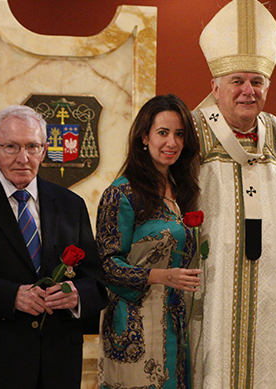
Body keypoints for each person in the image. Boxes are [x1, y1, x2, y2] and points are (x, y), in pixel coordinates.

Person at [0, 105, 106, 389]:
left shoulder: (69, 204)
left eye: (32, 147)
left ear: (44, 150)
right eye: (11, 146)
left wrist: (76, 296)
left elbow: (96, 280)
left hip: (59, 359)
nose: (22, 158)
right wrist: (11, 296)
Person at [189, 0, 276, 388]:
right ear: (215, 86)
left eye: (256, 82)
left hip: (273, 285)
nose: (247, 91)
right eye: (236, 81)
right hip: (209, 281)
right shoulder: (192, 132)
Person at [95, 94, 201, 389]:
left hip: (176, 322)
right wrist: (161, 276)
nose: (172, 143)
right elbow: (106, 266)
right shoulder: (121, 193)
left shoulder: (183, 190)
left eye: (179, 134)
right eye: (163, 133)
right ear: (144, 137)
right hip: (135, 327)